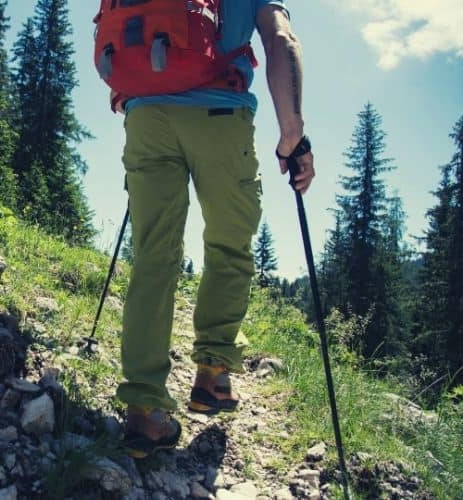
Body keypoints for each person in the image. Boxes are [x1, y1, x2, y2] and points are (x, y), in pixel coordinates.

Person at [113, 0, 315, 459]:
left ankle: (144, 410)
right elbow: (279, 38)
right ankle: (212, 373)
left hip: (146, 117)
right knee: (230, 244)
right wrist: (293, 133)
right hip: (219, 114)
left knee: (152, 258)